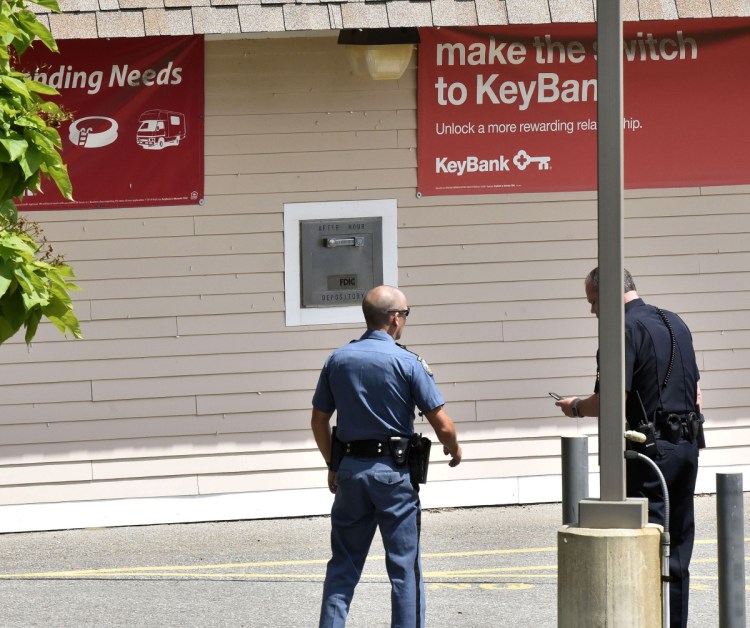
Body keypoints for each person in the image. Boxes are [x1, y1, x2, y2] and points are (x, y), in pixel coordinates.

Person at [554, 267, 703, 628]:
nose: (592, 312)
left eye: (592, 302)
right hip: (688, 445)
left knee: (646, 546)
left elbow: (611, 402)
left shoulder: (620, 330)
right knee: (678, 550)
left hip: (651, 453)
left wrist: (575, 405)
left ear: (606, 294)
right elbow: (697, 390)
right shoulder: (675, 322)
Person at [311, 285, 462, 628]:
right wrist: (453, 448)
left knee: (342, 566)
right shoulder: (407, 362)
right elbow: (442, 423)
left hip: (350, 471)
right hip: (393, 475)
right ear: (395, 318)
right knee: (404, 568)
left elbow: (319, 420)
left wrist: (333, 464)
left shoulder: (337, 359)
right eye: (405, 314)